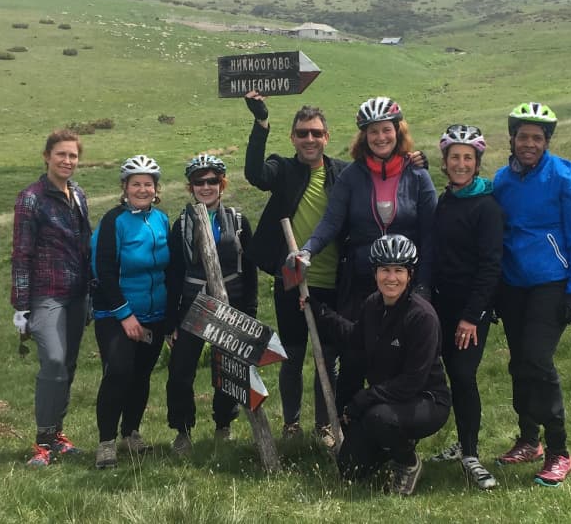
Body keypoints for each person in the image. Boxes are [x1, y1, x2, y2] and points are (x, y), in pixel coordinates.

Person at [292, 97, 437, 417]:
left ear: (398, 132)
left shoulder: (418, 176)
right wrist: (307, 251)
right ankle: (345, 425)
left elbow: (430, 235)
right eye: (373, 132)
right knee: (354, 354)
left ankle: (396, 426)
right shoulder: (352, 176)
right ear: (364, 136)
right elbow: (330, 221)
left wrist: (424, 285)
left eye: (387, 130)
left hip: (405, 283)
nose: (381, 137)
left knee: (401, 358)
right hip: (360, 280)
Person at [491, 102, 571, 487]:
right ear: (512, 139)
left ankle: (559, 450)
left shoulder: (566, 177)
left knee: (537, 359)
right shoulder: (503, 180)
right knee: (519, 362)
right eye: (523, 137)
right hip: (513, 284)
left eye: (537, 138)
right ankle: (528, 439)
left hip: (552, 282)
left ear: (547, 141)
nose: (529, 144)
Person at [242, 90, 346, 445]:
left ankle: (324, 425)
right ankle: (291, 424)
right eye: (303, 133)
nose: (310, 139)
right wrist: (261, 122)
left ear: (326, 137)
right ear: (293, 137)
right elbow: (255, 173)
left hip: (331, 282)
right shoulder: (283, 169)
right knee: (294, 354)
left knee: (327, 358)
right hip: (291, 282)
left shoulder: (342, 174)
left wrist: (413, 161)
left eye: (316, 133)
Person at [312, 235, 451, 496]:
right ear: (375, 272)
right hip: (388, 400)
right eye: (385, 270)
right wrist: (320, 313)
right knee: (350, 469)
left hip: (427, 400)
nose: (391, 278)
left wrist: (363, 400)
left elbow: (412, 381)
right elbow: (355, 337)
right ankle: (394, 442)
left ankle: (408, 463)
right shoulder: (373, 305)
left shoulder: (422, 317)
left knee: (378, 418)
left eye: (399, 271)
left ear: (409, 275)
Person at [425, 125, 504, 489]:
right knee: (440, 372)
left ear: (477, 163)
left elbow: (490, 266)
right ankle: (461, 442)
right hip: (441, 302)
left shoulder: (486, 206)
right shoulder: (447, 200)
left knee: (463, 374)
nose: (460, 163)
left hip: (471, 308)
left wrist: (472, 317)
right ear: (445, 162)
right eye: (454, 157)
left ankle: (471, 452)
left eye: (467, 158)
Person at [164, 154, 258, 455]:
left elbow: (250, 269)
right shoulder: (181, 225)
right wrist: (171, 322)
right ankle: (182, 430)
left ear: (222, 184)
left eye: (212, 181)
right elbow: (174, 273)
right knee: (180, 371)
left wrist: (250, 312)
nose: (206, 187)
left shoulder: (239, 221)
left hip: (231, 303)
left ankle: (223, 425)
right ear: (190, 187)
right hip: (192, 304)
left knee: (226, 369)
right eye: (199, 182)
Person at [11, 129, 93, 467]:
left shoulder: (78, 194)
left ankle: (57, 436)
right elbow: (21, 253)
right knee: (55, 361)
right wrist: (21, 306)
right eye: (61, 154)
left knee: (69, 366)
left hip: (77, 295)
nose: (67, 161)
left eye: (73, 156)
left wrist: (91, 291)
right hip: (47, 295)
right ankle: (42, 441)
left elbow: (85, 246)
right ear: (47, 156)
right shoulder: (31, 198)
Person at [89, 155, 171, 469]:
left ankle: (131, 432)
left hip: (155, 314)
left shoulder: (161, 219)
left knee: (141, 376)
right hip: (115, 313)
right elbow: (104, 271)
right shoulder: (113, 221)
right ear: (124, 188)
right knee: (119, 372)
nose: (142, 189)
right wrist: (125, 315)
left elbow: (169, 266)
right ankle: (106, 441)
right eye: (135, 184)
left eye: (147, 184)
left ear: (155, 188)